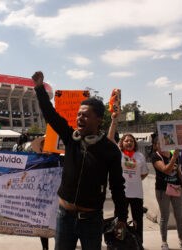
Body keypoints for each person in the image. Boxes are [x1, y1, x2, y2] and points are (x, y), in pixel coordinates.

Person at [32, 71, 127, 250]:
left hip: (92, 222)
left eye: (85, 115)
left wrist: (121, 217)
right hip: (64, 217)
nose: (79, 118)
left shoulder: (110, 150)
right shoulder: (70, 138)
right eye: (78, 115)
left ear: (98, 119)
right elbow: (51, 115)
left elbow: (117, 186)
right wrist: (39, 88)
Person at [108, 111, 148, 243]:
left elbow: (144, 173)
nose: (129, 142)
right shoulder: (118, 153)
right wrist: (114, 120)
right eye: (126, 140)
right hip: (122, 193)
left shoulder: (140, 156)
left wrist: (134, 180)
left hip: (137, 194)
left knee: (137, 220)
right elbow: (109, 139)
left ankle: (138, 242)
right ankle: (119, 243)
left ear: (134, 143)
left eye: (131, 141)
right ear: (122, 143)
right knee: (120, 220)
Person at [151, 137, 182, 250]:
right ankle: (164, 242)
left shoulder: (173, 154)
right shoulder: (155, 157)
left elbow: (178, 172)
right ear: (156, 146)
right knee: (165, 216)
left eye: (164, 142)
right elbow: (166, 170)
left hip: (176, 188)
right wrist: (173, 158)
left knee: (179, 216)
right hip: (163, 190)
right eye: (159, 143)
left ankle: (181, 240)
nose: (162, 145)